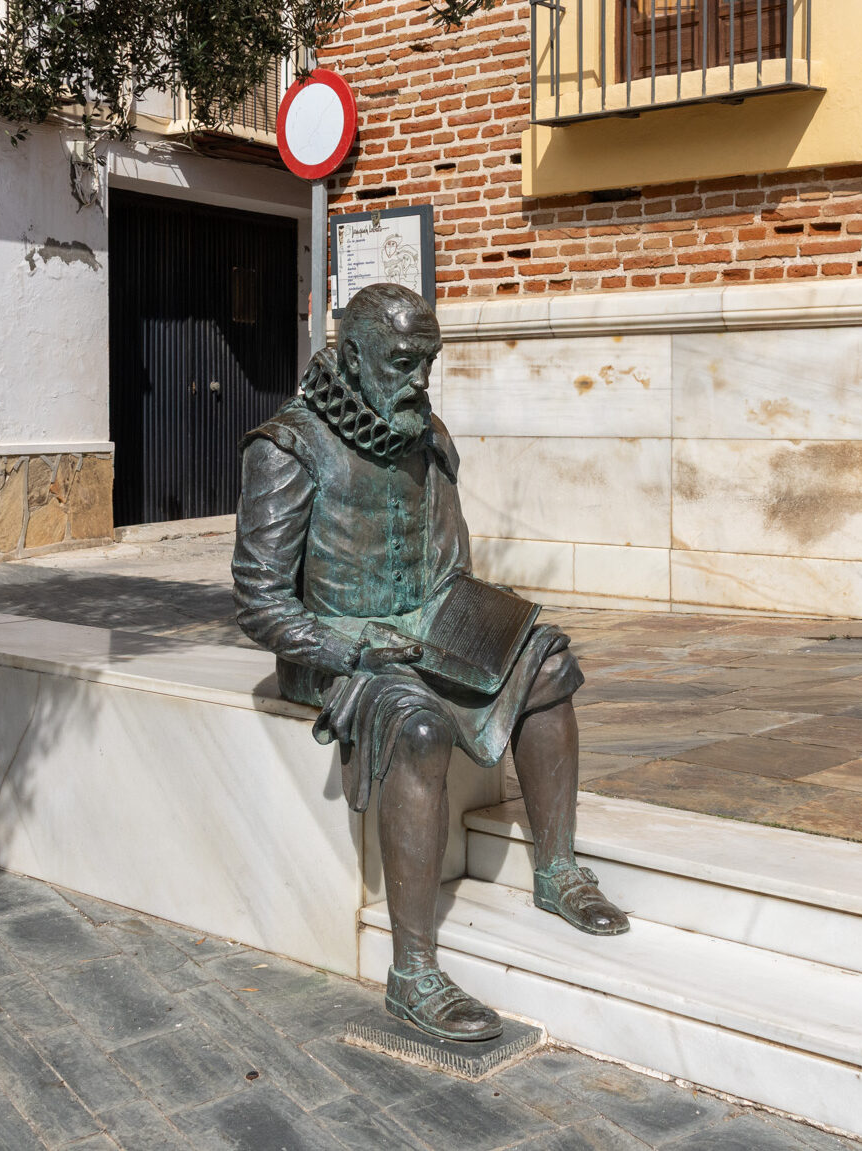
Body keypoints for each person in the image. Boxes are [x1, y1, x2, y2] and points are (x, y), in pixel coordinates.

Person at [232, 283, 627, 1042]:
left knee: (546, 662)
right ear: (352, 358)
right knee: (417, 729)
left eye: (428, 362)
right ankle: (412, 971)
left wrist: (486, 624)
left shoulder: (427, 435)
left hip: (426, 624)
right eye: (403, 361)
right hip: (333, 646)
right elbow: (258, 601)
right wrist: (350, 648)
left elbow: (451, 565)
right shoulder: (286, 447)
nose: (419, 379)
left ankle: (557, 869)